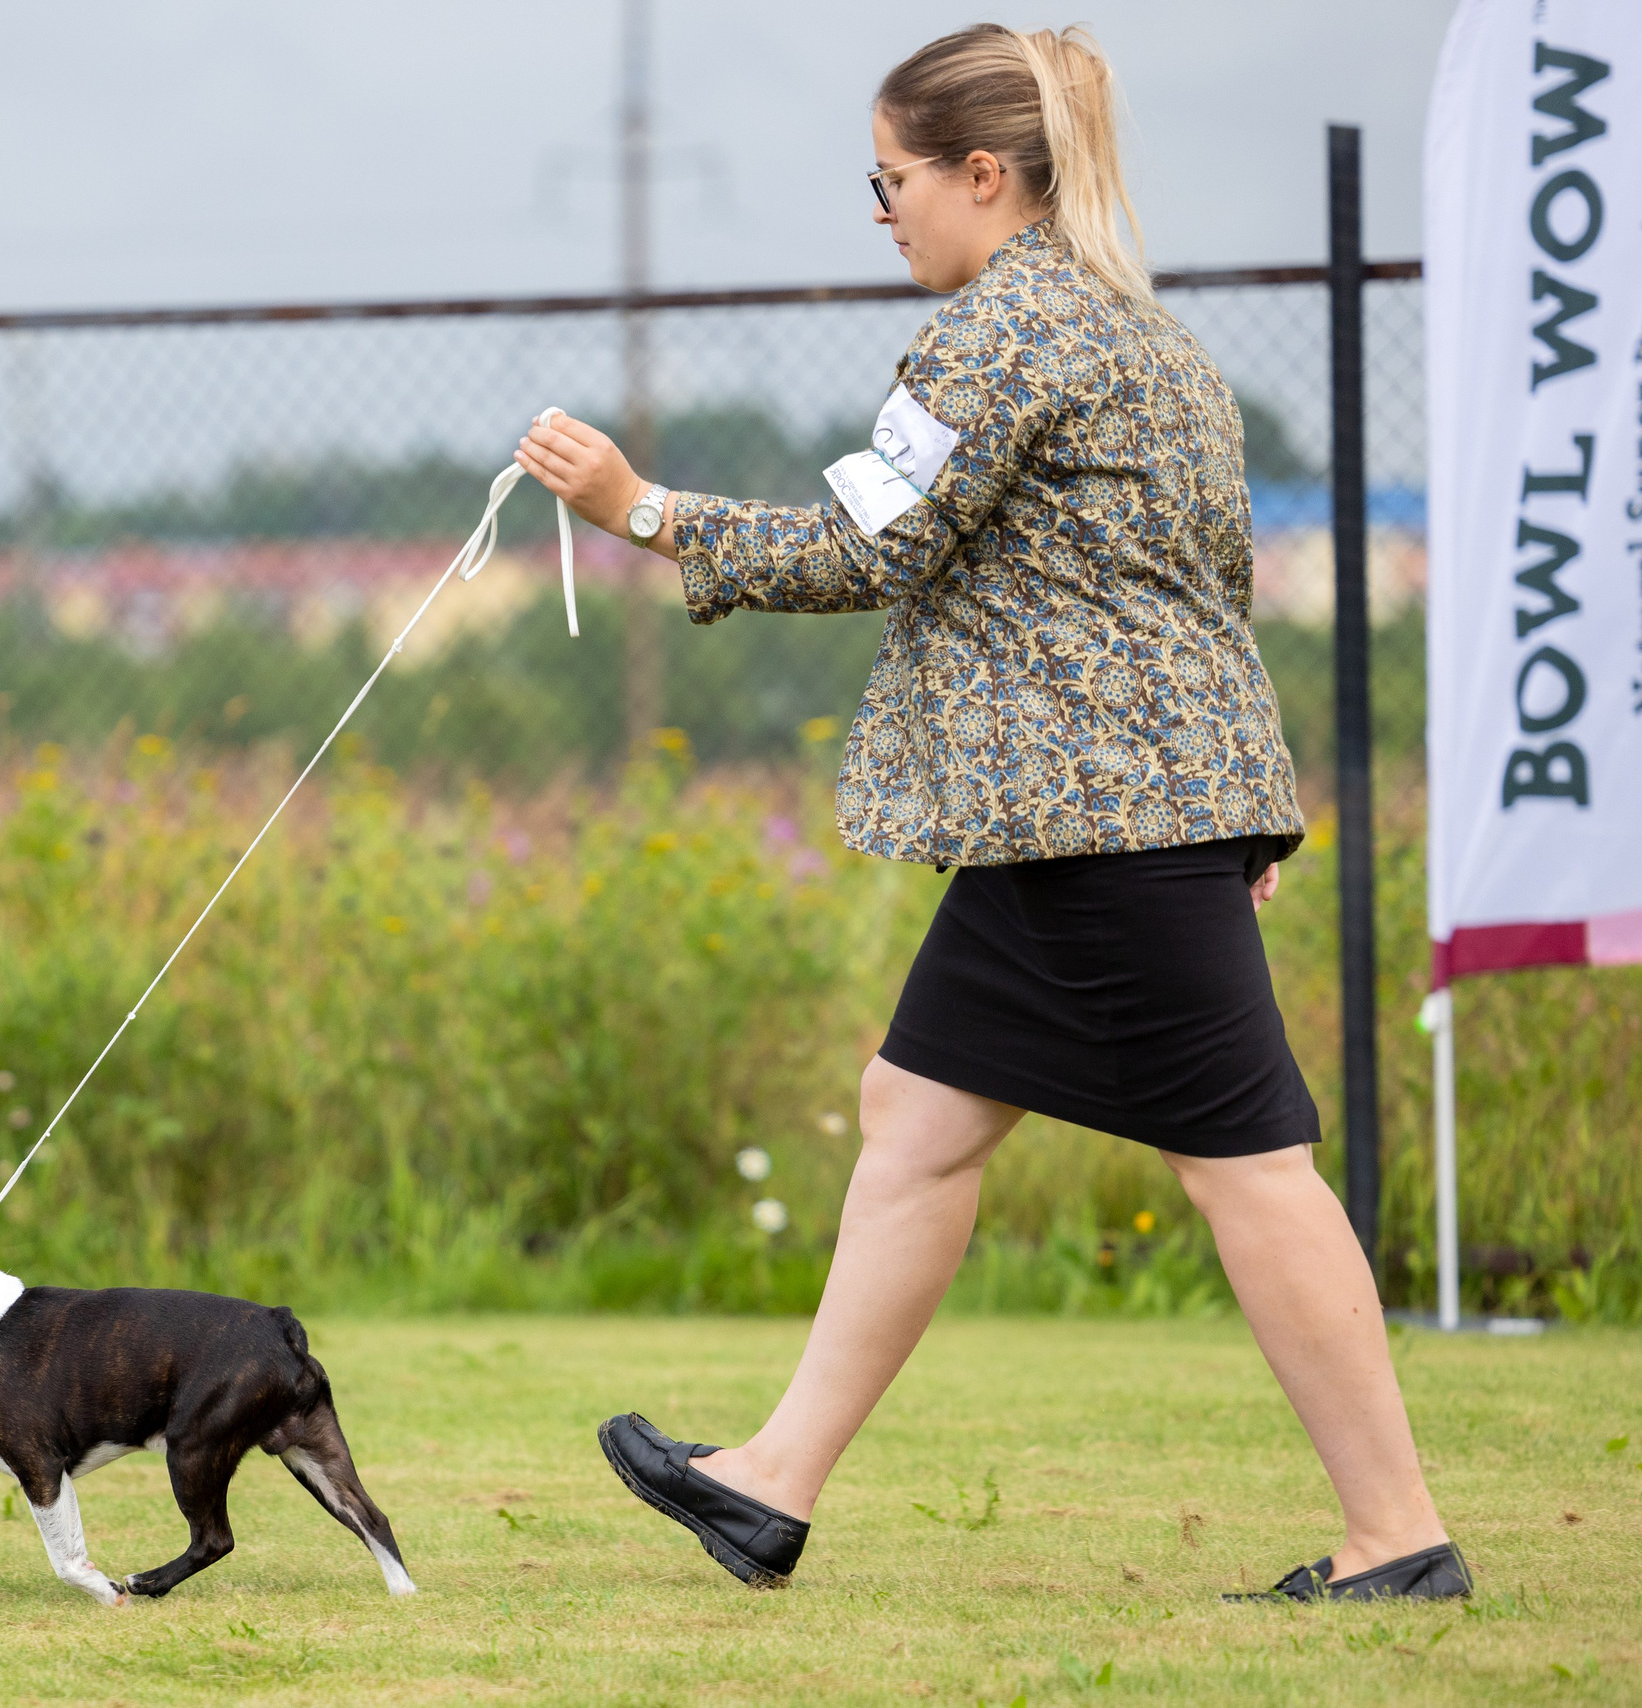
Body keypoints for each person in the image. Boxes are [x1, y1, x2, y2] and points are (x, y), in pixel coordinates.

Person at [515, 23, 1467, 1604]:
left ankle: (1399, 1538)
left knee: (1248, 1168)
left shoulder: (998, 335)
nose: (880, 211)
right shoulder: (1152, 343)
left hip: (1097, 830)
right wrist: (1247, 820)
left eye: (888, 180)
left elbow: (860, 550)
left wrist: (641, 511)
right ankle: (770, 1484)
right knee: (915, 1117)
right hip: (1108, 828)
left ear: (982, 173)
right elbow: (1209, 602)